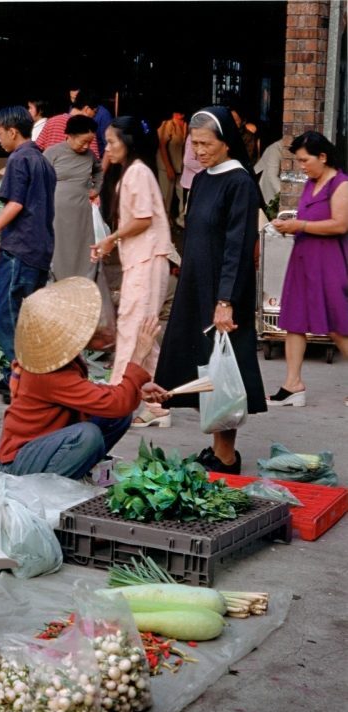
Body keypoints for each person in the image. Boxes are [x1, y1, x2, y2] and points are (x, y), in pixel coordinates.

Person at [154, 105, 267, 474]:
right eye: (194, 144)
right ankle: (217, 451)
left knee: (224, 372)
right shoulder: (201, 179)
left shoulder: (239, 182)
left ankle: (226, 458)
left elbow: (237, 245)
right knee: (203, 365)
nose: (198, 152)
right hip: (196, 284)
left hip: (223, 289)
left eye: (205, 144)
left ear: (226, 144)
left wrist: (226, 301)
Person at [0, 276, 168, 479]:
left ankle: (81, 467)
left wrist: (136, 391)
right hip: (20, 463)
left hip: (46, 443)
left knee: (116, 416)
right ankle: (55, 482)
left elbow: (99, 398)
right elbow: (114, 403)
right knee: (87, 436)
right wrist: (138, 357)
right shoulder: (47, 373)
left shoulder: (61, 361)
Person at [91, 116, 175, 428]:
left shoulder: (137, 172)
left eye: (111, 142)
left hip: (147, 259)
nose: (107, 148)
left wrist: (111, 238)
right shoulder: (132, 171)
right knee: (143, 331)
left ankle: (119, 399)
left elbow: (142, 219)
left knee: (133, 328)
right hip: (144, 258)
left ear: (127, 142)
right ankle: (151, 404)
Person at [0, 106, 56, 403]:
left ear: (12, 131)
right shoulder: (42, 161)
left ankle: (19, 380)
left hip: (20, 247)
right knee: (27, 318)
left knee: (6, 314)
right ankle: (18, 377)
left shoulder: (19, 159)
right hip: (41, 248)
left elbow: (15, 204)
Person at [268, 131, 348, 407]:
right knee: (294, 320)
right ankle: (292, 385)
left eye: (305, 160)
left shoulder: (340, 184)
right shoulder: (311, 183)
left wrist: (299, 226)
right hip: (303, 258)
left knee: (339, 325)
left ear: (322, 157)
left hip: (329, 261)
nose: (301, 166)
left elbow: (340, 224)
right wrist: (288, 227)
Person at [44, 114, 103, 279]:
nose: (86, 146)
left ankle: (84, 282)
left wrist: (96, 189)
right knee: (60, 248)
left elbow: (98, 170)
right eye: (82, 141)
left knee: (83, 247)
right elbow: (39, 178)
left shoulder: (90, 155)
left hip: (82, 211)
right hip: (57, 212)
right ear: (69, 136)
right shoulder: (52, 153)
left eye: (89, 142)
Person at [35, 92, 100, 158]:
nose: (94, 116)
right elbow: (95, 158)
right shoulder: (88, 129)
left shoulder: (52, 121)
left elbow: (37, 148)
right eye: (95, 112)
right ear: (87, 109)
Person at [156, 109, 187, 221]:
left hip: (180, 166)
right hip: (166, 166)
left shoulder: (185, 125)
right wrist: (168, 167)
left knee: (182, 195)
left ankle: (181, 221)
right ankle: (163, 224)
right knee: (166, 197)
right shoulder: (168, 124)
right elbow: (162, 145)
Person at [254, 136, 283, 208]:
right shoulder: (275, 148)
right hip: (262, 187)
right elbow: (272, 175)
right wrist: (284, 195)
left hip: (274, 190)